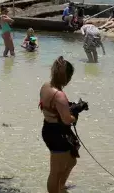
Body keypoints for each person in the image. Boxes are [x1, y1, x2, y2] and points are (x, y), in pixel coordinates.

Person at [39, 57, 79, 193]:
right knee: (56, 171)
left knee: (72, 161)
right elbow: (67, 120)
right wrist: (75, 115)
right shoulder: (59, 95)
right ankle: (56, 189)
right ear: (66, 77)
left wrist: (69, 109)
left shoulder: (45, 86)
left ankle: (60, 187)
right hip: (57, 134)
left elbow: (53, 108)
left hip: (49, 128)